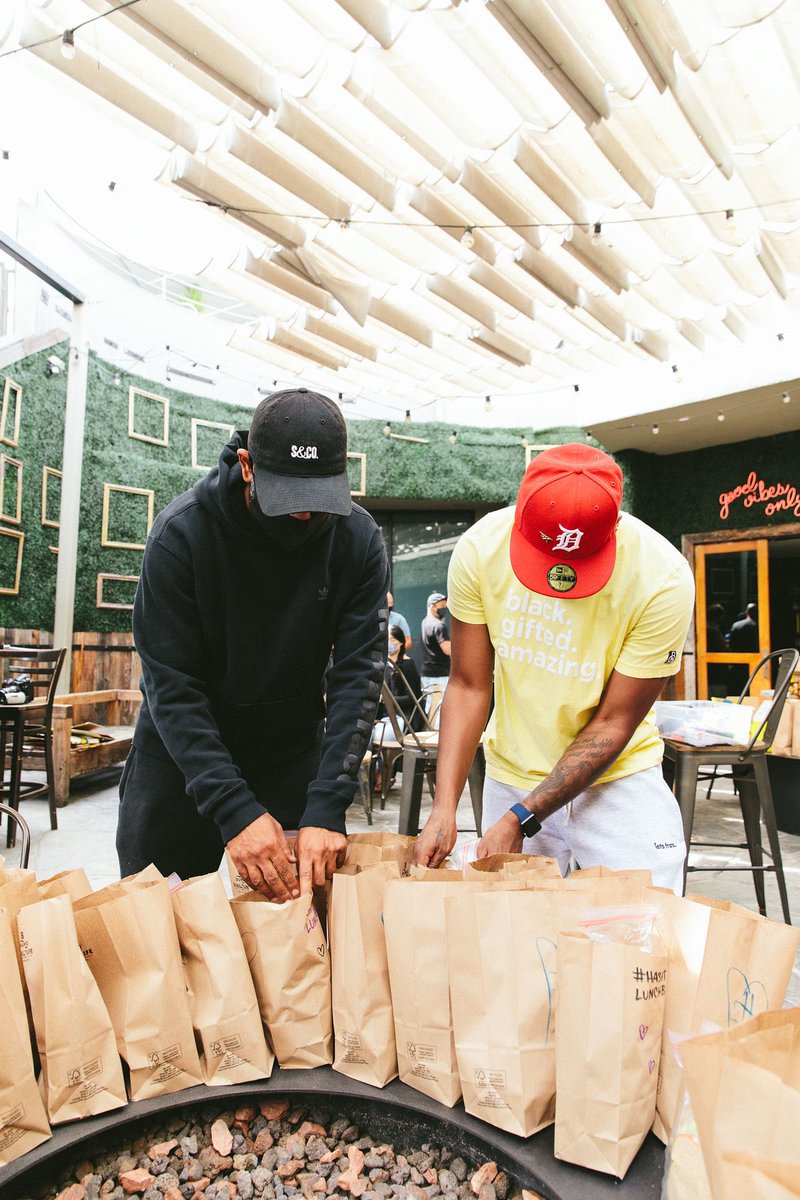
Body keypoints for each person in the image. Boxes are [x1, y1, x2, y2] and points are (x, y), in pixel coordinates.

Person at [117, 387, 390, 901]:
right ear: (247, 465)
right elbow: (172, 686)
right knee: (158, 932)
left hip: (289, 752)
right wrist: (234, 809)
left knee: (293, 942)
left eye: (319, 501)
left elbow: (359, 676)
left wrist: (328, 804)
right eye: (290, 500)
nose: (306, 517)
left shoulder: (358, 540)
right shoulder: (180, 535)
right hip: (182, 757)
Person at [413, 442, 695, 892]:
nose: (556, 581)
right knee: (515, 945)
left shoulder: (663, 577)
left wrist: (523, 817)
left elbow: (614, 721)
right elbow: (468, 685)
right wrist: (445, 807)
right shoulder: (481, 549)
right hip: (510, 774)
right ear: (521, 508)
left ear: (615, 524)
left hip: (617, 782)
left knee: (642, 935)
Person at [382, 623, 425, 733]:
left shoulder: (408, 665)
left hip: (407, 717)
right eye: (387, 640)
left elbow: (413, 698)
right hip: (388, 715)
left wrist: (387, 700)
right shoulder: (385, 665)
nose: (389, 643)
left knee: (382, 734)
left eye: (392, 639)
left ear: (401, 642)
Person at [420, 591, 451, 696]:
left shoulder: (424, 622)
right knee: (439, 709)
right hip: (440, 676)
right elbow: (447, 650)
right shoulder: (438, 626)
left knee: (429, 710)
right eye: (442, 605)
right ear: (432, 607)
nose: (444, 608)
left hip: (427, 673)